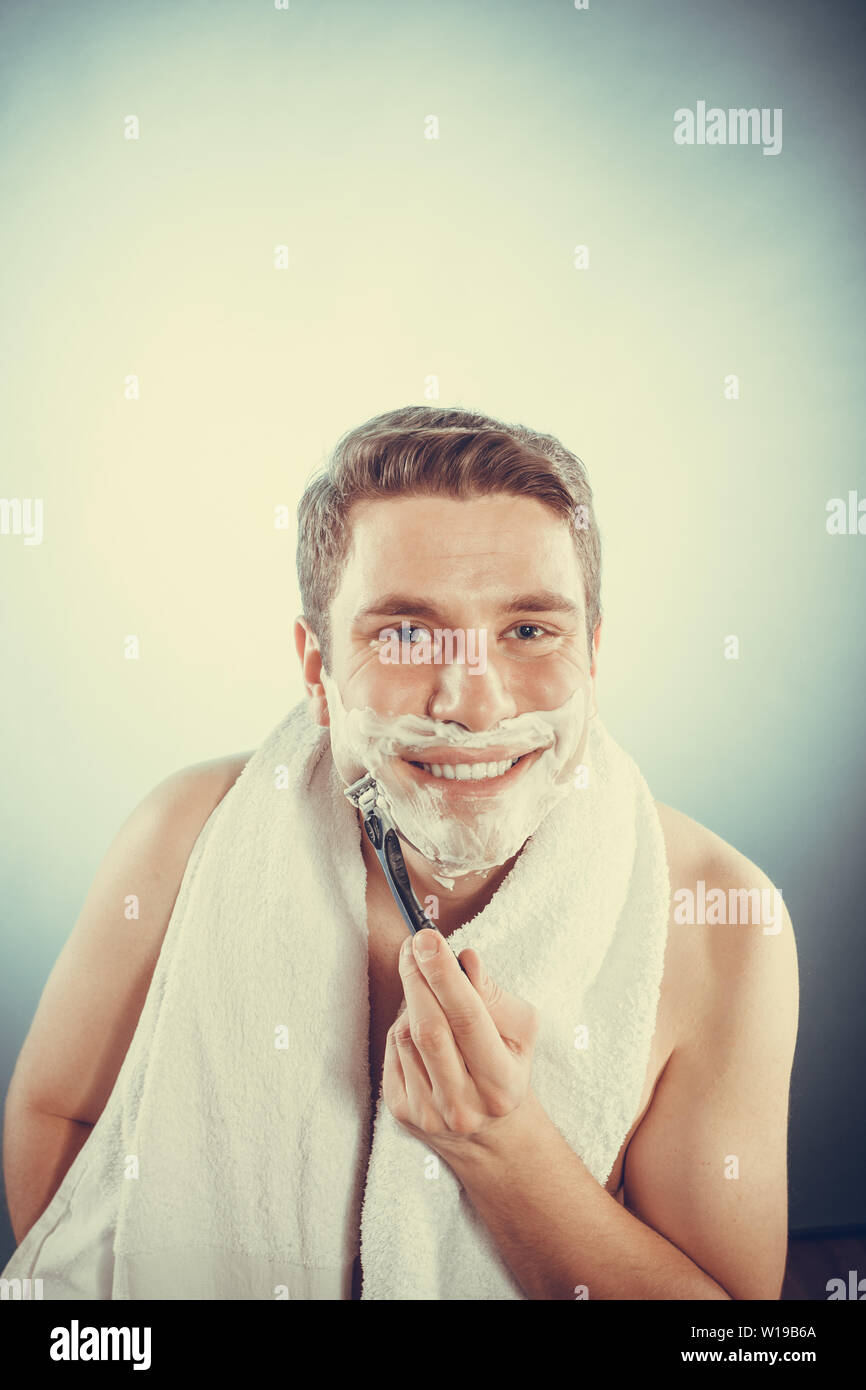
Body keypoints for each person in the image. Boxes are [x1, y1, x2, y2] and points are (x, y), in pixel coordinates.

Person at [2, 405, 798, 1299]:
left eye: (530, 630)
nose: (475, 703)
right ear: (318, 670)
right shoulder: (185, 835)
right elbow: (58, 1122)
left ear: (594, 653)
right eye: (406, 633)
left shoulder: (721, 922)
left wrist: (502, 1147)